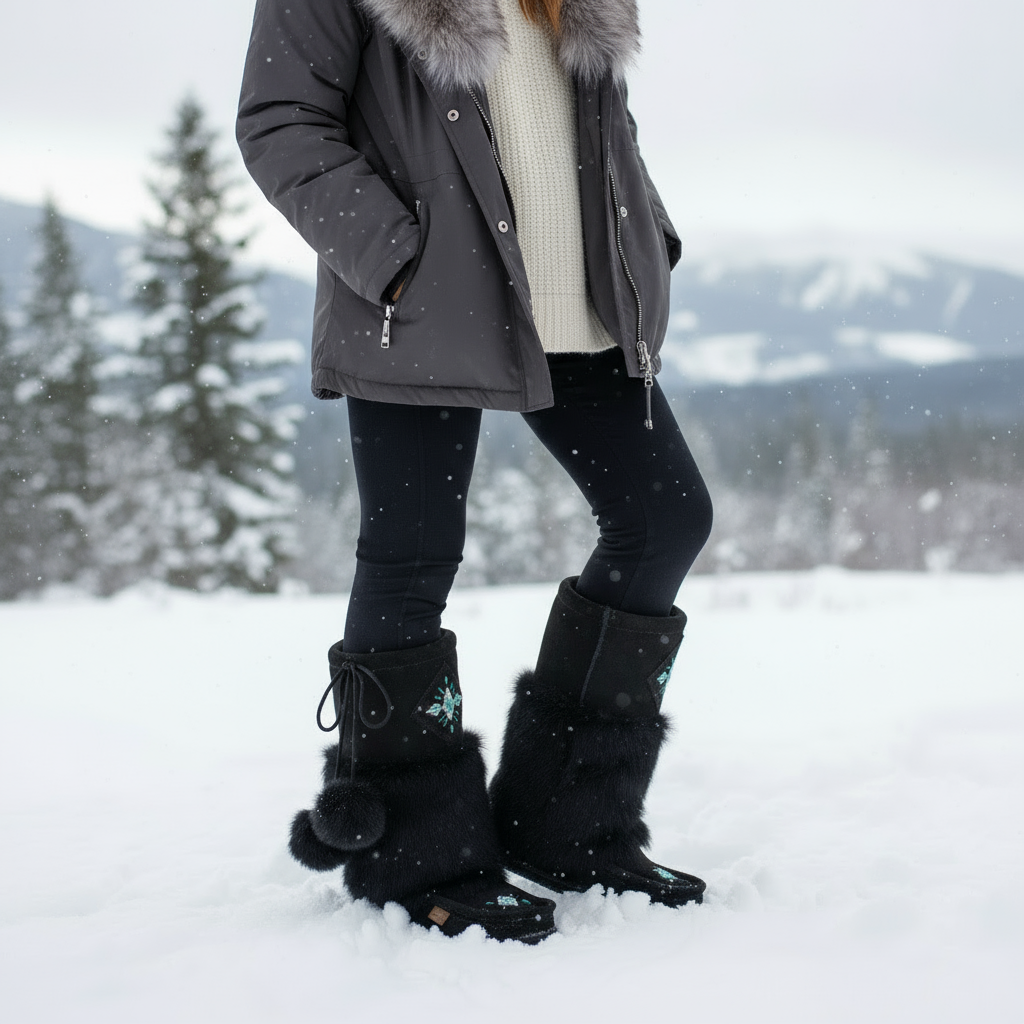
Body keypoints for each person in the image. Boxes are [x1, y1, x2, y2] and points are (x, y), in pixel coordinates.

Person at [237, 0, 713, 943]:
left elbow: (597, 120)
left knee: (665, 521)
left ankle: (569, 825)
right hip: (421, 308)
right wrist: (399, 258)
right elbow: (279, 122)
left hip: (579, 307)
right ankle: (418, 859)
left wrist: (645, 236)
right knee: (413, 555)